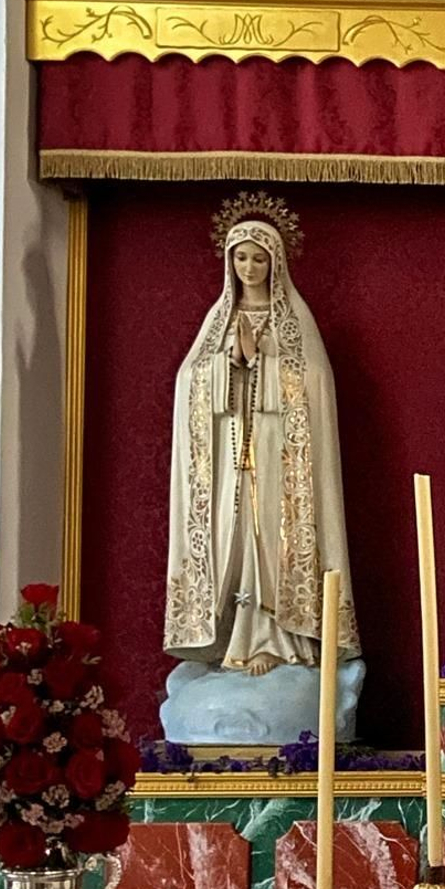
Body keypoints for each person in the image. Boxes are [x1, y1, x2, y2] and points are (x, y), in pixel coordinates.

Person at [164, 214, 359, 674]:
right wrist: (227, 365)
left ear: (275, 264)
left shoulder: (293, 320)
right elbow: (188, 383)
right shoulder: (219, 320)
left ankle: (278, 640)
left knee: (272, 539)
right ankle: (233, 637)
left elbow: (314, 385)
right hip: (229, 459)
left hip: (278, 458)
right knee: (232, 539)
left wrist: (261, 362)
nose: (249, 268)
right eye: (240, 258)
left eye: (258, 259)